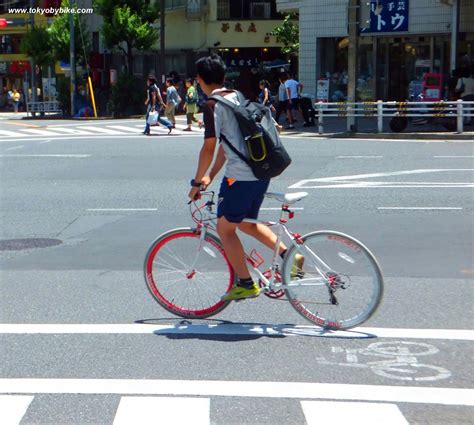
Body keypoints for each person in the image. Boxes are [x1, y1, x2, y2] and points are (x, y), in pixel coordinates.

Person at [188, 54, 303, 301]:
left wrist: (197, 182)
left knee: (225, 229)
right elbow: (228, 144)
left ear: (199, 80)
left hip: (240, 178)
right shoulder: (235, 96)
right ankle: (289, 255)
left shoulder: (212, 105)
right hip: (260, 172)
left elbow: (209, 146)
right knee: (245, 222)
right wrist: (210, 176)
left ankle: (245, 282)